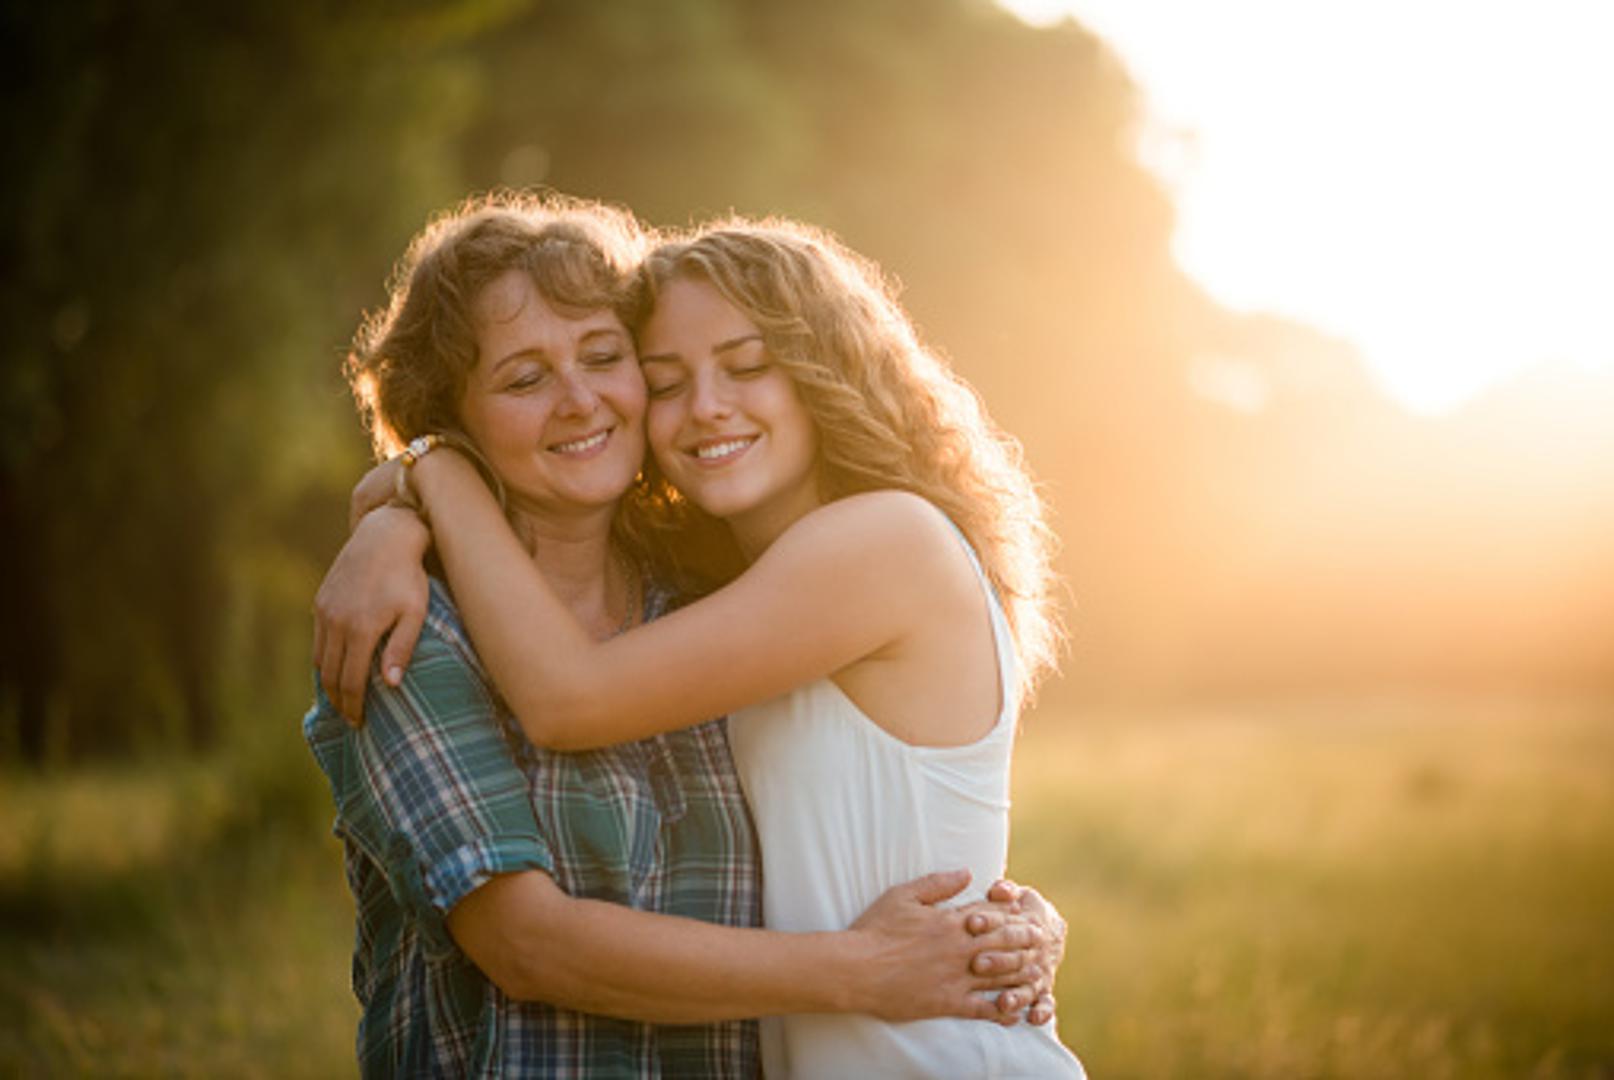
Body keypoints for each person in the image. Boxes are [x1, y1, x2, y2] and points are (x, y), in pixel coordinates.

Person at [305, 193, 1063, 1078]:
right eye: (667, 380)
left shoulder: (858, 550)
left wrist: (426, 473)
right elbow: (528, 942)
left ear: (824, 373)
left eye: (748, 366)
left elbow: (570, 700)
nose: (704, 407)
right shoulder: (434, 623)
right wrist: (406, 496)